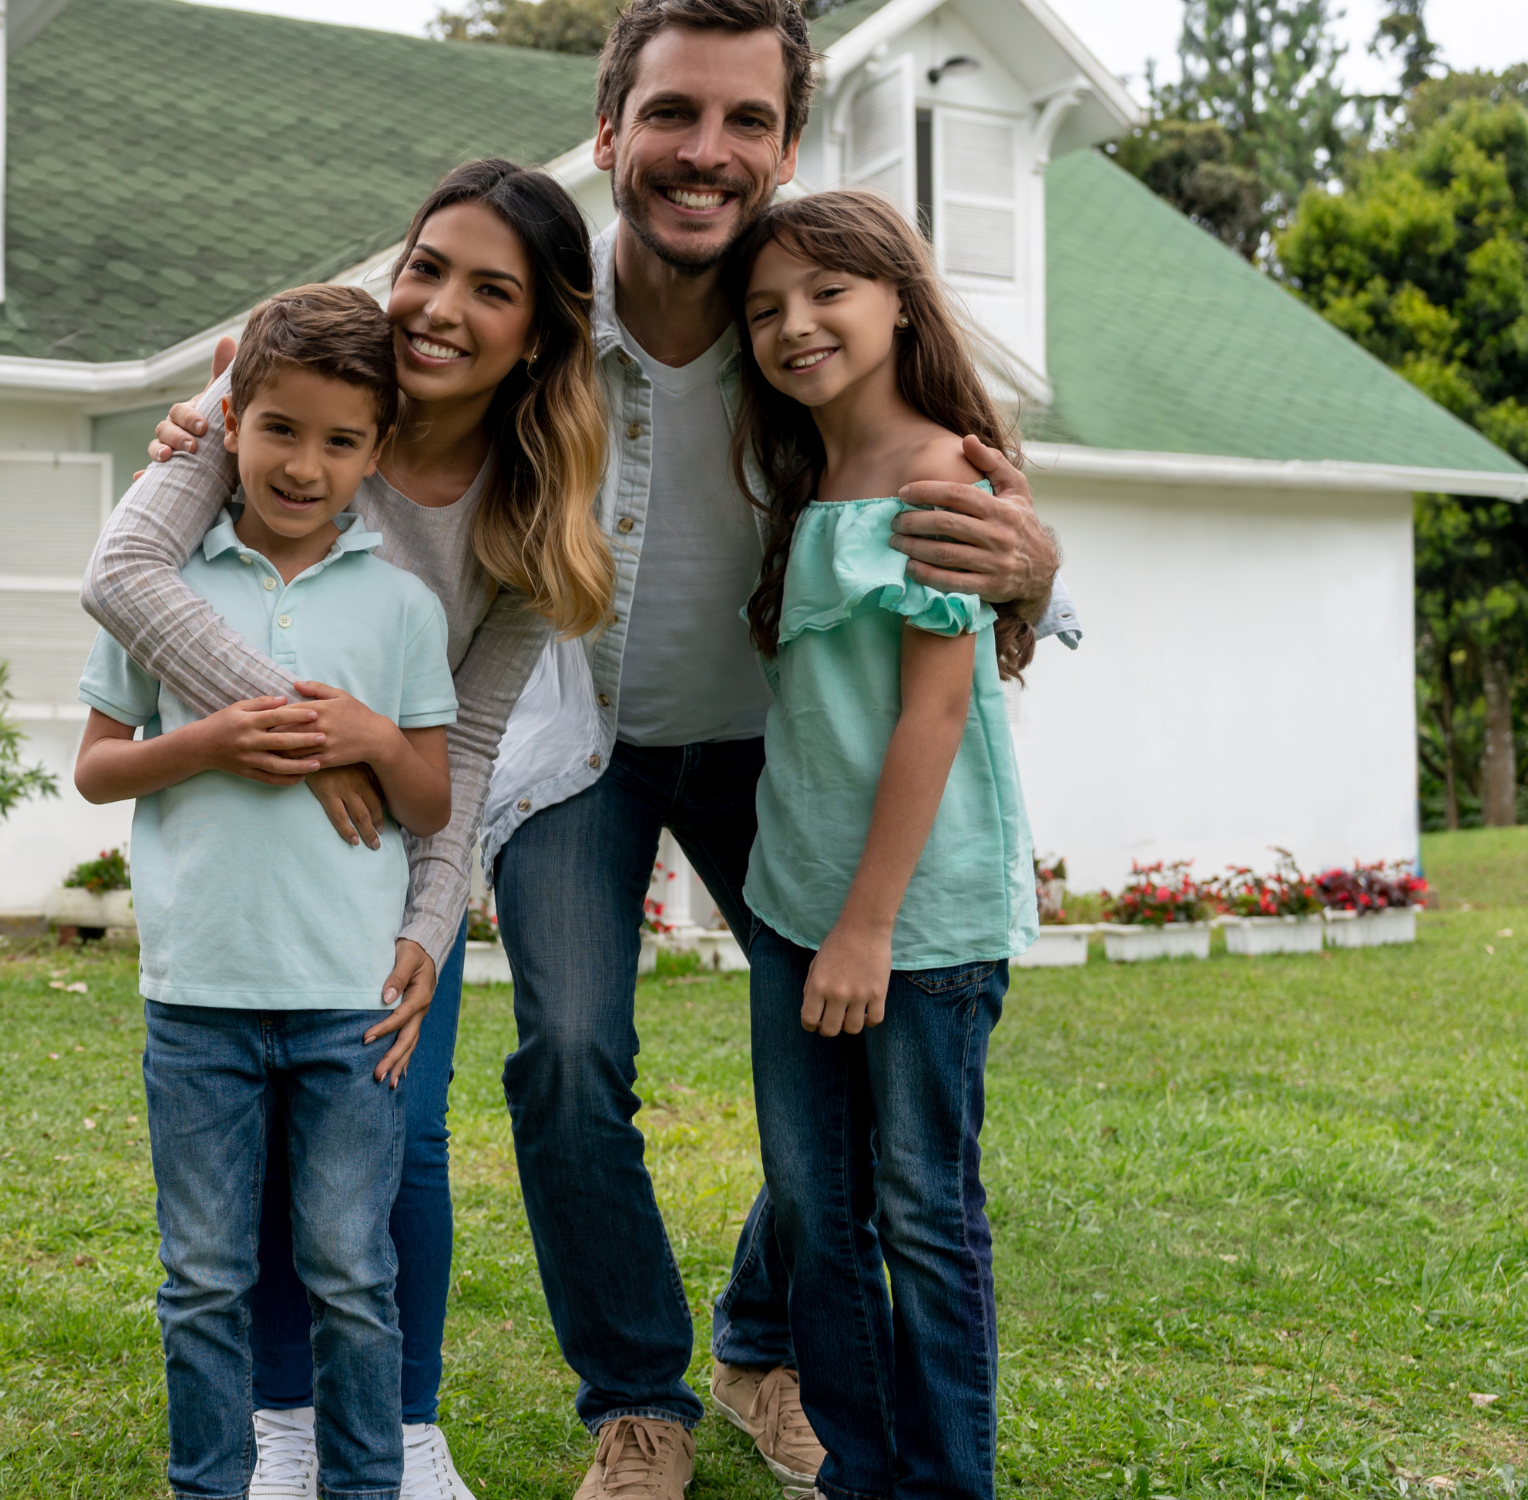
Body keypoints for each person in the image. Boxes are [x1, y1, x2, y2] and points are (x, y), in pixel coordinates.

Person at [141, 3, 1076, 1493]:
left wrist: (1035, 567)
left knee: (824, 1082)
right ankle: (638, 1400)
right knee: (568, 1057)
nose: (706, 152)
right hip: (579, 756)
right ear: (610, 131)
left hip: (783, 754)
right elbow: (381, 337)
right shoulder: (543, 320)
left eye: (747, 122)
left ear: (784, 145)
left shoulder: (813, 336)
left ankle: (763, 1344)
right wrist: (216, 405)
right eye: (673, 116)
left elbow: (956, 490)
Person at [89, 158, 612, 1500]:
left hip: (411, 837)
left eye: (490, 290)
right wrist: (316, 734)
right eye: (426, 265)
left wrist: (430, 926)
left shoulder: (528, 505)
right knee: (248, 1159)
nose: (437, 305)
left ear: (543, 331)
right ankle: (271, 1419)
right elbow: (126, 579)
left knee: (404, 1133)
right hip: (271, 859)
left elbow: (472, 745)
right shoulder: (278, 394)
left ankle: (406, 1426)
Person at [73, 282, 462, 1500]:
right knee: (203, 1276)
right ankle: (212, 1484)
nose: (305, 463)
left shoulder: (401, 606)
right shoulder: (169, 590)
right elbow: (96, 769)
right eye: (280, 429)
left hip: (347, 1001)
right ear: (227, 422)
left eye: (341, 440)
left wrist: (368, 738)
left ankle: (364, 1487)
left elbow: (434, 800)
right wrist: (206, 742)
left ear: (376, 454)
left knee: (352, 1269)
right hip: (198, 996)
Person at [724, 187, 1035, 1500]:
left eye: (827, 293)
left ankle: (944, 1484)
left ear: (900, 300)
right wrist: (814, 916)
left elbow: (935, 708)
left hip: (913, 925)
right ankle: (861, 1473)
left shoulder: (939, 471)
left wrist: (868, 926)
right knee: (815, 1211)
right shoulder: (806, 478)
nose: (796, 326)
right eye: (764, 309)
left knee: (919, 1213)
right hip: (801, 906)